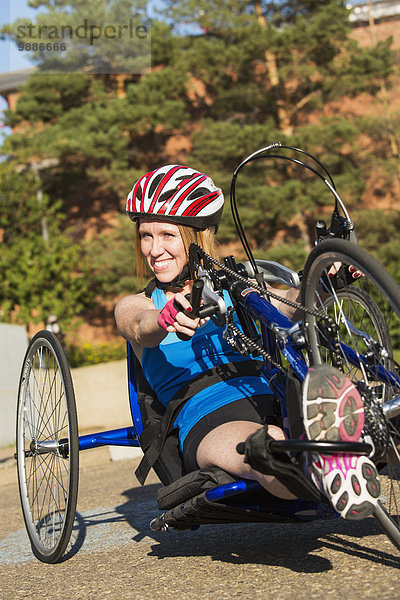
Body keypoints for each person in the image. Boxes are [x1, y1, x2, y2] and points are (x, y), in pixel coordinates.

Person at [115, 164, 380, 519]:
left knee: (345, 424)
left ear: (198, 235)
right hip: (205, 417)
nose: (154, 249)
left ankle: (348, 444)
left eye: (166, 235)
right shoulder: (138, 304)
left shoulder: (235, 285)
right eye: (146, 236)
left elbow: (288, 303)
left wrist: (327, 281)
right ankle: (322, 466)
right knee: (266, 449)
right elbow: (138, 325)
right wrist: (165, 318)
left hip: (272, 398)